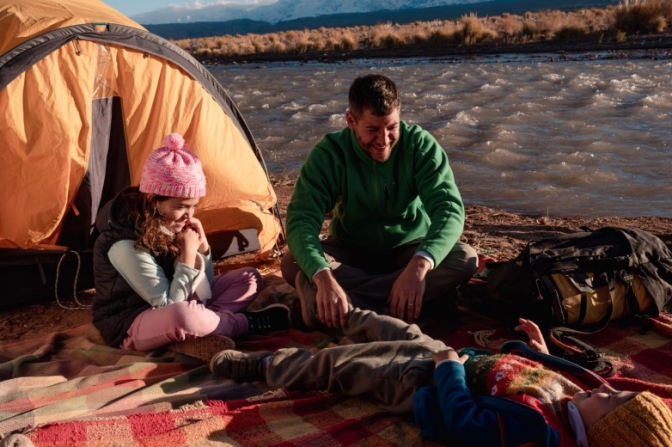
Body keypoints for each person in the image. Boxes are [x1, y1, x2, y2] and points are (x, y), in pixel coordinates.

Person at [210, 290, 672, 446]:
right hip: (452, 357)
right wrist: (534, 347)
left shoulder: (540, 431)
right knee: (382, 323)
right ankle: (323, 314)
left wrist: (448, 369)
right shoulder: (577, 399)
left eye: (612, 404)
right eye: (619, 392)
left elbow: (466, 423)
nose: (607, 391)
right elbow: (542, 372)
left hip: (426, 380)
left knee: (341, 364)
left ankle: (260, 367)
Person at [280, 73, 478, 329]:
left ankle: (337, 309)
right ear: (351, 120)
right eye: (372, 129)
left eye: (392, 127)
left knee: (464, 258)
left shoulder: (420, 145)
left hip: (408, 251)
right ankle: (411, 303)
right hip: (350, 252)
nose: (384, 141)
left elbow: (449, 211)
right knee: (293, 261)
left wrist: (419, 266)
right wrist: (324, 278)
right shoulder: (329, 153)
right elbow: (301, 220)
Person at [92, 133, 290, 358]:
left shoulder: (169, 223)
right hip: (131, 322)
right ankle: (242, 324)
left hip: (179, 302)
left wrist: (203, 251)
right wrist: (187, 254)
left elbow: (203, 290)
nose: (189, 215)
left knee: (249, 277)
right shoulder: (124, 242)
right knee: (183, 316)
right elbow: (168, 304)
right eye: (181, 206)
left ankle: (198, 330)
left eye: (194, 206)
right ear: (152, 200)